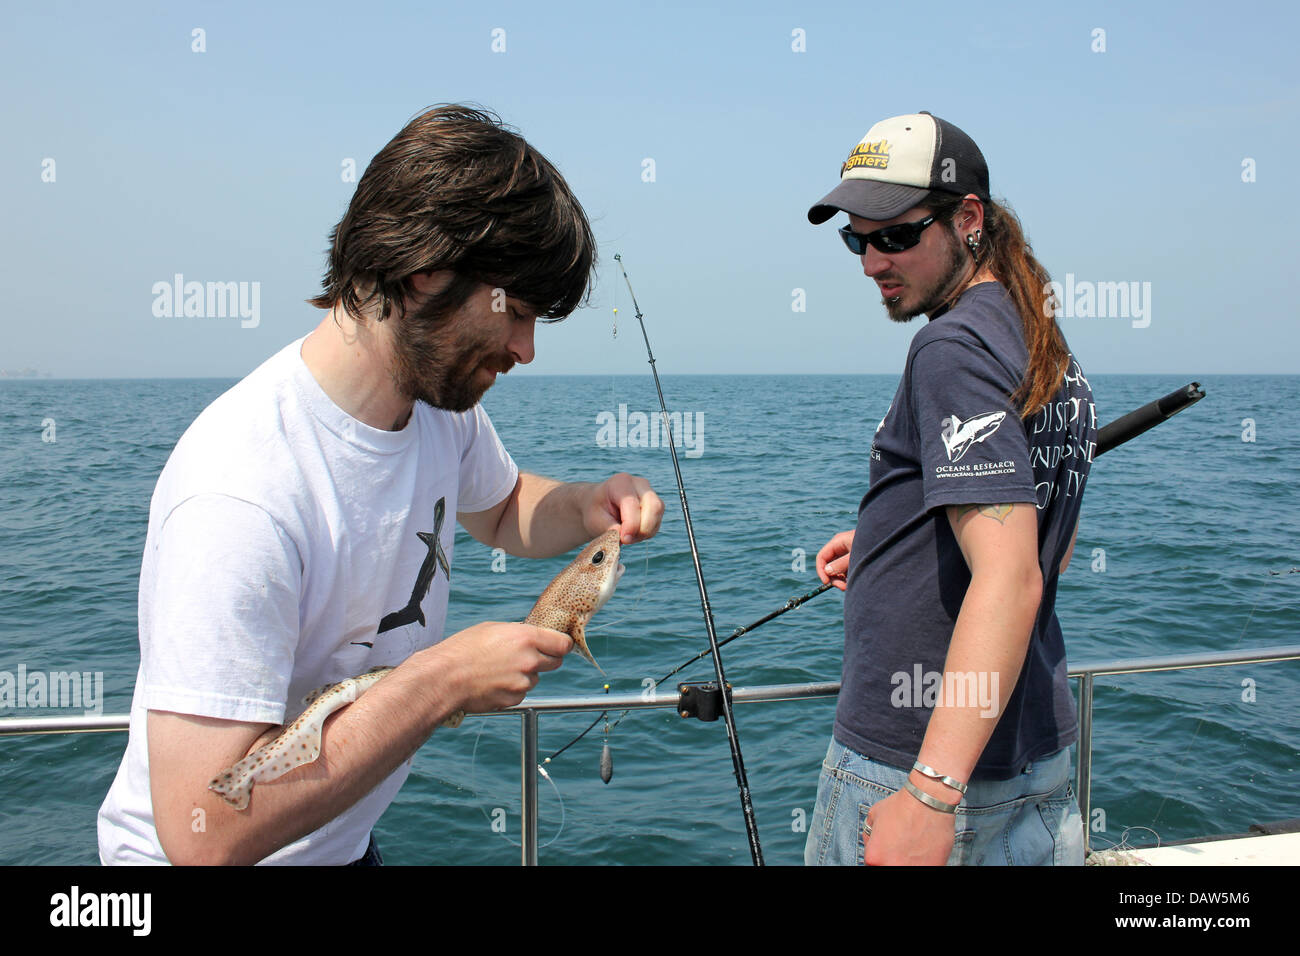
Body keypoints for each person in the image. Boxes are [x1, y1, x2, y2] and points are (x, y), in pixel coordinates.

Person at [97, 105, 663, 865]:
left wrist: (586, 503)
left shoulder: (434, 406)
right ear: (426, 271)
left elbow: (499, 507)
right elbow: (205, 830)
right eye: (517, 312)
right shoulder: (238, 494)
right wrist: (441, 683)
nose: (526, 350)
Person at [802, 112, 1096, 865]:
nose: (872, 262)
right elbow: (1042, 548)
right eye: (856, 239)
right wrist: (895, 539)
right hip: (1034, 755)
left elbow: (1009, 575)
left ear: (969, 219)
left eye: (896, 235)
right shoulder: (1038, 339)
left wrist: (930, 794)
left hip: (924, 765)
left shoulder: (950, 347)